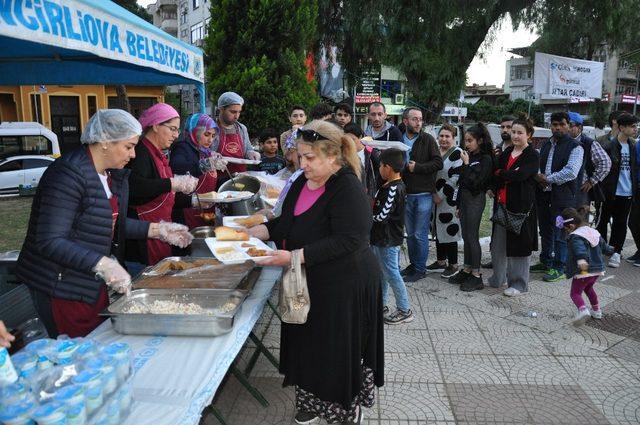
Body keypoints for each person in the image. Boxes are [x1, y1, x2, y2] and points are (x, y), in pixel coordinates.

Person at [247, 120, 383, 425]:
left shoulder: (346, 187)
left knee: (335, 350)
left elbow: (349, 240)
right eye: (300, 155)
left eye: (309, 157)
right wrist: (255, 231)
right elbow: (285, 223)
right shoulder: (301, 182)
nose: (301, 162)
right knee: (308, 344)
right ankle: (310, 401)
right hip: (309, 281)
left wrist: (294, 255)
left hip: (345, 284)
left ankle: (344, 409)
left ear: (333, 156)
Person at [16, 110, 192, 337]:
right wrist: (103, 264)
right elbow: (50, 241)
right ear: (106, 141)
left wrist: (158, 230)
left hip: (89, 279)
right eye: (128, 147)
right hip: (61, 285)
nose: (134, 155)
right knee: (80, 352)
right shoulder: (68, 175)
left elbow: (107, 223)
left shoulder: (108, 175)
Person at [127, 103, 198, 267]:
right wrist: (172, 183)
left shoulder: (159, 154)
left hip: (162, 231)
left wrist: (193, 200)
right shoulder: (140, 152)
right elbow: (135, 187)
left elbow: (163, 196)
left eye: (177, 130)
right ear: (156, 125)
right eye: (172, 129)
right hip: (142, 239)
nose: (175, 135)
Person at [488, 116, 540, 296]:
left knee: (519, 247)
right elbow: (496, 175)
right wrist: (505, 174)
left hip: (521, 209)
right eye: (514, 132)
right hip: (502, 204)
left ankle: (518, 284)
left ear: (529, 135)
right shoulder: (507, 152)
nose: (516, 136)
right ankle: (498, 277)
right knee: (498, 245)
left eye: (520, 133)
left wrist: (503, 172)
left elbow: (522, 175)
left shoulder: (532, 155)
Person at [531, 112, 584, 282]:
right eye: (554, 125)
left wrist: (548, 179)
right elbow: (538, 164)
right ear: (550, 126)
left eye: (561, 124)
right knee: (545, 229)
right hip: (544, 195)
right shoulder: (546, 144)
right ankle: (546, 260)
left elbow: (571, 172)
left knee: (561, 231)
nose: (558, 128)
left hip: (563, 199)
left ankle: (559, 267)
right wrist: (539, 176)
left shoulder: (576, 147)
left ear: (568, 125)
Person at [400, 107, 443, 283]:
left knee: (419, 234)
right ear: (405, 121)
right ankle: (413, 264)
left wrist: (417, 167)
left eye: (420, 119)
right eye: (414, 119)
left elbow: (438, 163)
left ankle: (420, 268)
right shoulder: (399, 137)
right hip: (405, 194)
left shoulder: (428, 139)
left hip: (424, 194)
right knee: (410, 234)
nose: (418, 122)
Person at [371, 148, 412, 324]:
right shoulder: (387, 185)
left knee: (392, 273)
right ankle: (381, 304)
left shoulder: (394, 188)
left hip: (388, 239)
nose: (379, 169)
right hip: (380, 237)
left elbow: (382, 215)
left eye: (380, 165)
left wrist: (366, 216)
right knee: (381, 273)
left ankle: (404, 310)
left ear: (388, 167)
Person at [559, 207, 614, 326]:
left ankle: (583, 310)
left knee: (575, 293)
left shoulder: (575, 236)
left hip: (584, 270)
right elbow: (604, 246)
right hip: (598, 269)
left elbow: (579, 248)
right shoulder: (592, 231)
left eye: (566, 229)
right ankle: (597, 310)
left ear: (572, 226)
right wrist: (611, 250)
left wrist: (581, 259)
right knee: (588, 288)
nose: (567, 231)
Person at [597, 112, 638, 267]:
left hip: (627, 192)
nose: (635, 129)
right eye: (632, 126)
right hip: (609, 192)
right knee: (602, 221)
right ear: (621, 127)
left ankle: (616, 252)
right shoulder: (608, 146)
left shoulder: (634, 146)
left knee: (620, 224)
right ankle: (601, 249)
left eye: (636, 126)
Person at [169, 113, 219, 229]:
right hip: (187, 210)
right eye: (207, 134)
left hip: (206, 208)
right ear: (195, 131)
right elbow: (177, 166)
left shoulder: (204, 152)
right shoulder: (182, 147)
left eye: (213, 136)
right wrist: (204, 165)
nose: (210, 140)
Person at [427, 124, 462, 279]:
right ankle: (441, 261)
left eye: (447, 136)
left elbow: (456, 177)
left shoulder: (458, 153)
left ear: (454, 138)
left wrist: (441, 195)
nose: (444, 139)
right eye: (441, 136)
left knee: (449, 229)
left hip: (448, 198)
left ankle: (453, 264)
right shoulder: (435, 152)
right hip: (434, 197)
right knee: (437, 229)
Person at [567, 111, 611, 209]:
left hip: (580, 190)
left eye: (570, 125)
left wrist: (592, 181)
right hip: (561, 190)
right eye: (564, 124)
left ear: (580, 128)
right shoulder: (560, 142)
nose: (567, 128)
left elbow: (606, 163)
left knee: (580, 221)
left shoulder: (589, 143)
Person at [212, 91, 260, 176]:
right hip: (218, 177)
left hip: (241, 176)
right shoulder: (211, 128)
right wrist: (211, 156)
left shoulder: (242, 129)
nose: (237, 116)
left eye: (239, 112)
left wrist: (251, 154)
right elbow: (202, 153)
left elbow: (248, 149)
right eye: (233, 112)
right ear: (221, 109)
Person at [344, 122, 380, 203]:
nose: (349, 143)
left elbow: (378, 173)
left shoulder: (371, 153)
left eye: (352, 139)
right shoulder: (343, 154)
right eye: (347, 140)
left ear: (360, 137)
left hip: (367, 195)